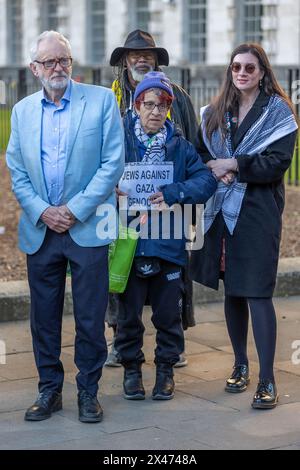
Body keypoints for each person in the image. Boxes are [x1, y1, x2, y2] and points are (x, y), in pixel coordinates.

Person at [6, 31, 124, 423]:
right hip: (41, 231)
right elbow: (16, 169)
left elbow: (112, 164)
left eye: (65, 60)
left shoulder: (101, 101)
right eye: (50, 62)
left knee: (90, 317)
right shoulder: (22, 111)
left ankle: (88, 393)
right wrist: (43, 210)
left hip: (86, 227)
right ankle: (49, 391)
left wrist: (73, 210)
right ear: (34, 68)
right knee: (43, 318)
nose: (59, 68)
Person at [190, 43, 298, 409]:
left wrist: (233, 165)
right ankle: (240, 365)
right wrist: (215, 168)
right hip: (221, 210)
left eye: (250, 68)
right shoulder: (216, 112)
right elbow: (200, 152)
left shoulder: (278, 113)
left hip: (256, 212)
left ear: (263, 72)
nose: (242, 73)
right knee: (233, 290)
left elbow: (276, 163)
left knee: (257, 292)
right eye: (236, 66)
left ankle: (267, 380)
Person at [114, 71, 217, 401]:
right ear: (136, 105)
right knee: (128, 316)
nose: (156, 111)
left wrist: (175, 192)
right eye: (149, 103)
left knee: (167, 315)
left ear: (170, 108)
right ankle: (131, 370)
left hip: (168, 243)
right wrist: (109, 189)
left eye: (163, 105)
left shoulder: (181, 148)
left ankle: (165, 371)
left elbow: (206, 182)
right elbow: (94, 175)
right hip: (129, 243)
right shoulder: (118, 143)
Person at [106, 29, 199, 368]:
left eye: (147, 54)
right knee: (122, 269)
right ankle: (120, 340)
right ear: (125, 61)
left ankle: (175, 344)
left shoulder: (177, 96)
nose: (141, 59)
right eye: (134, 55)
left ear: (157, 59)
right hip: (125, 207)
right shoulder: (112, 98)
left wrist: (185, 194)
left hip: (170, 206)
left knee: (173, 276)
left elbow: (194, 146)